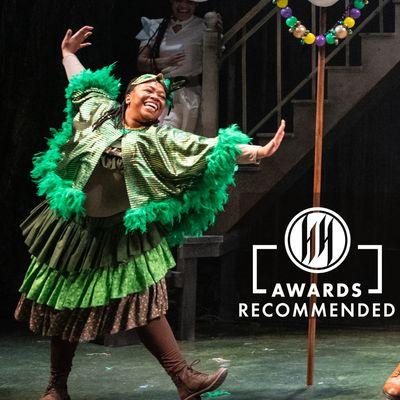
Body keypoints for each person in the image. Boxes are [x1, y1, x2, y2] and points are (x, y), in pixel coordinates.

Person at [14, 25, 285, 400]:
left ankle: (185, 380)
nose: (157, 97)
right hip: (75, 229)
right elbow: (81, 84)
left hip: (122, 235)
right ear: (127, 97)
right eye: (149, 91)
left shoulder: (162, 139)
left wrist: (256, 151)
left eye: (162, 97)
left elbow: (207, 147)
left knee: (143, 303)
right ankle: (56, 386)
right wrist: (67, 54)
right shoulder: (97, 115)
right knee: (67, 306)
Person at [136, 0, 222, 133]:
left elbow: (216, 60)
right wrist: (164, 62)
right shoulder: (155, 25)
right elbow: (141, 63)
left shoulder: (203, 26)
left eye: (189, 2)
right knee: (157, 136)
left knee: (181, 140)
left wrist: (217, 32)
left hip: (189, 93)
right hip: (161, 92)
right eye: (178, 1)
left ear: (195, 5)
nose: (183, 6)